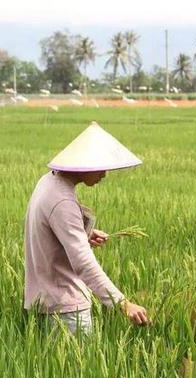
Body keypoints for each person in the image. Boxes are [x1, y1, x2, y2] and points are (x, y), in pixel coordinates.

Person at [24, 121, 149, 334]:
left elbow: (51, 232)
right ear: (85, 165)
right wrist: (123, 303)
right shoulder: (62, 201)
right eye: (101, 167)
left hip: (44, 302)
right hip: (66, 311)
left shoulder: (48, 183)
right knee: (76, 368)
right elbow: (83, 262)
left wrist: (84, 235)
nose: (104, 175)